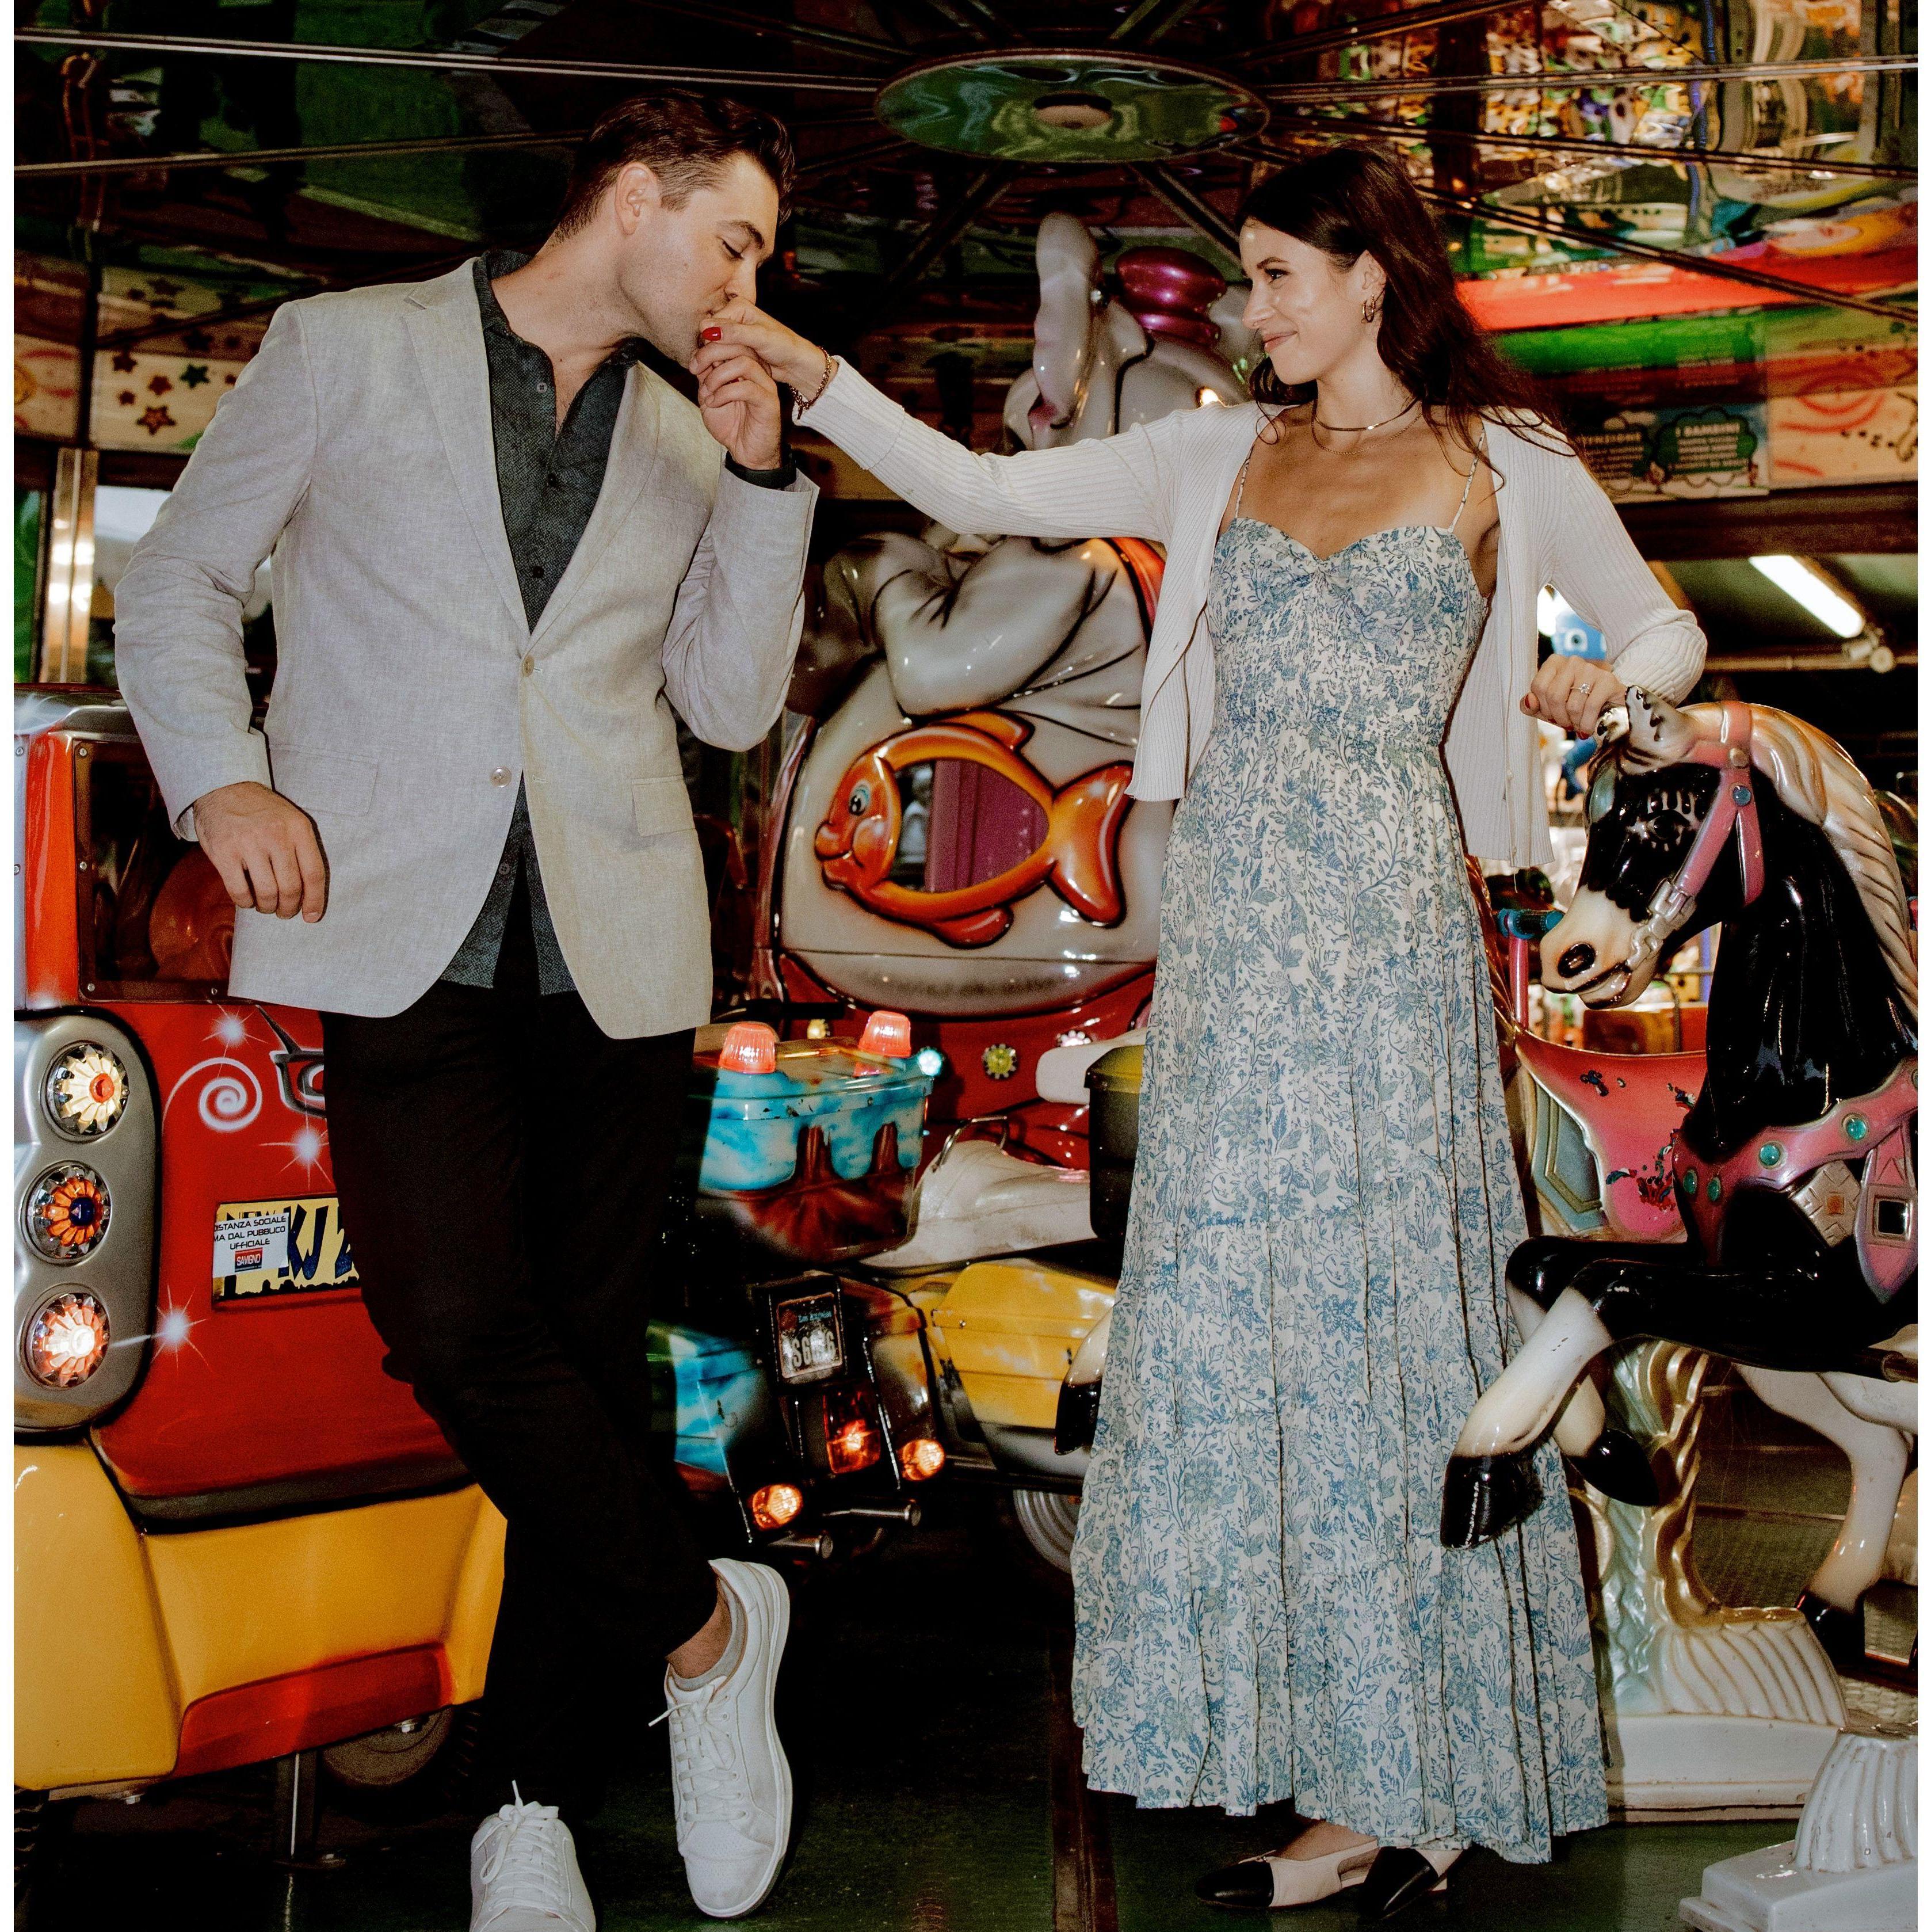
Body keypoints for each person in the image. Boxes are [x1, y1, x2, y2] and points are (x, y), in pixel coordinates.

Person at [707, 146, 1705, 1917]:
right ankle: (1331, 1780)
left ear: (1369, 272)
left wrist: (1609, 694)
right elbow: (972, 485)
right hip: (1232, 934)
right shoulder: (1216, 451)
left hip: (1391, 935)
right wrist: (814, 375)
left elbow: (1661, 631)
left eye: (1273, 274)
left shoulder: (1504, 461)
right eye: (1245, 276)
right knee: (1246, 1341)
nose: (1253, 309)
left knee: (1397, 1331)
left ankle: (1427, 1778)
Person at [115, 92, 816, 1931]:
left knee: (578, 1364)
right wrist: (222, 781)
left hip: (616, 949)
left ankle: (526, 1809)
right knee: (452, 1330)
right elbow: (183, 574)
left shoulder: (691, 432)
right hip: (383, 924)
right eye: (734, 238)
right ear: (634, 195)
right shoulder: (345, 347)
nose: (747, 282)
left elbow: (729, 706)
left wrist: (764, 484)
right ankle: (706, 1627)